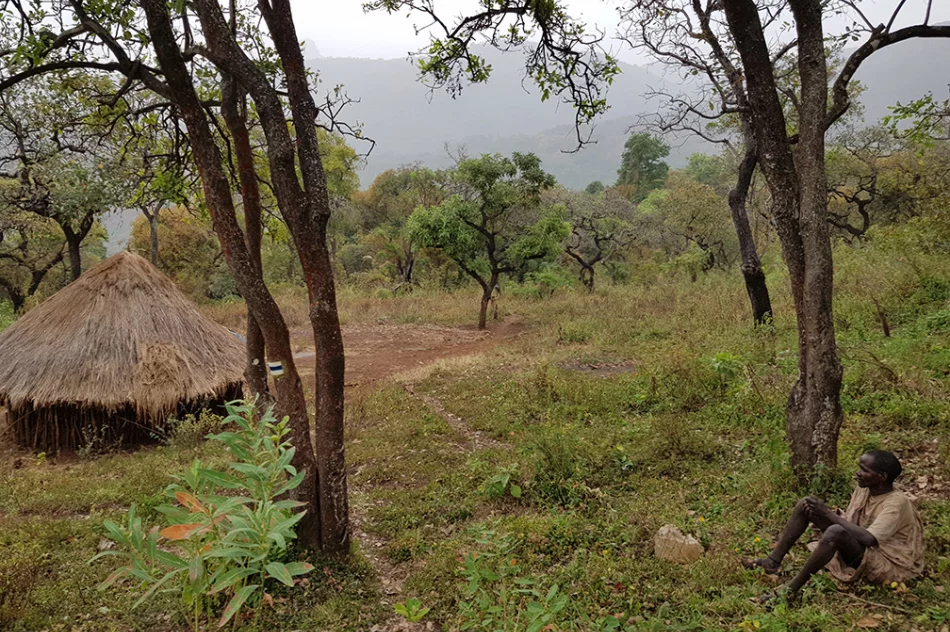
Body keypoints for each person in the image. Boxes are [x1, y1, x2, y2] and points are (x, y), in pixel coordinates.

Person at [746, 450, 925, 602]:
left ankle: (790, 590)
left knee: (835, 532)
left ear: (882, 477)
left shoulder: (896, 503)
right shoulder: (866, 487)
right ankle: (772, 562)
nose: (858, 473)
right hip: (862, 546)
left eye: (864, 470)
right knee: (806, 504)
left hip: (887, 561)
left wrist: (827, 514)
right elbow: (853, 524)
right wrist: (824, 514)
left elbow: (870, 539)